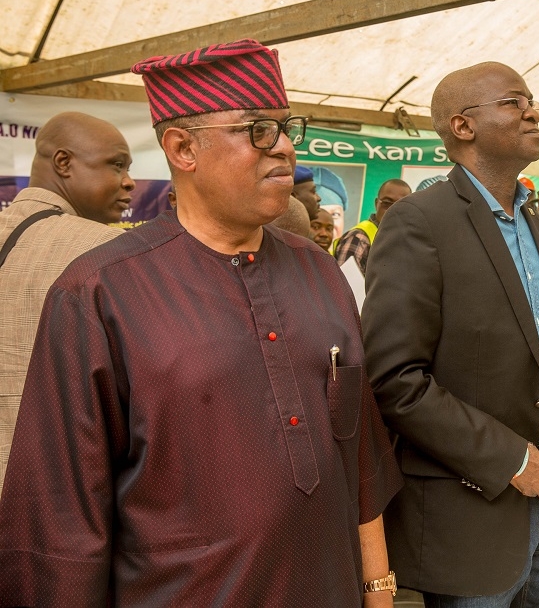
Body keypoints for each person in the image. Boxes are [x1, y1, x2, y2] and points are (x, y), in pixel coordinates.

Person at [0, 39, 402, 606]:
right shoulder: (98, 290)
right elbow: (61, 523)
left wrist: (379, 590)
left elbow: (358, 455)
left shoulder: (321, 272)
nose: (283, 148)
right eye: (257, 130)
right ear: (183, 148)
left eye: (287, 128)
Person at [362, 61, 539, 607]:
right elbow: (394, 379)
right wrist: (511, 459)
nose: (534, 110)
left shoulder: (531, 220)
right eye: (515, 101)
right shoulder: (419, 221)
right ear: (463, 127)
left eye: (531, 99)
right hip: (472, 515)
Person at [0, 112, 132, 494]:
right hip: (52, 500)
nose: (129, 181)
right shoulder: (106, 252)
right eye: (116, 164)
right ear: (63, 163)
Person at [333, 178, 411, 274]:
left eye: (401, 205)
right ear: (376, 203)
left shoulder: (409, 241)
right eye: (387, 203)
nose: (392, 210)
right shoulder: (358, 238)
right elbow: (345, 284)